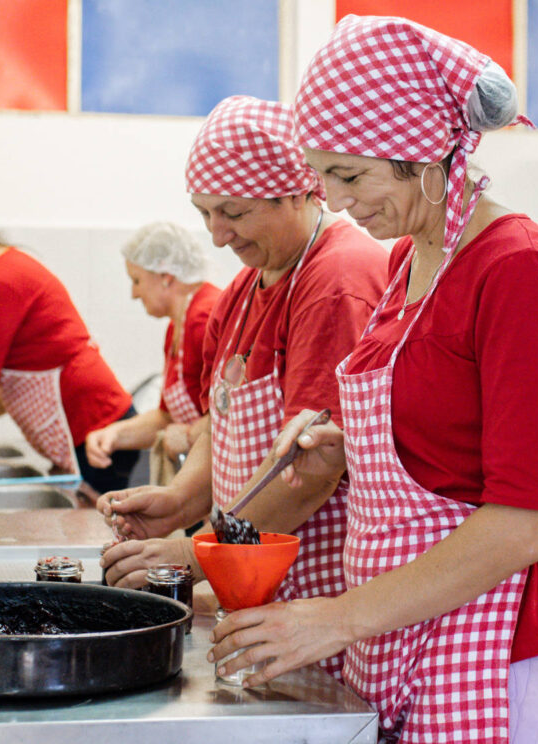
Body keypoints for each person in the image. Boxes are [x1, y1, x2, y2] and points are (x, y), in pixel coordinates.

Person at [206, 17, 538, 744]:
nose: (341, 202)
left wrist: (335, 617)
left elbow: (525, 526)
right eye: (326, 179)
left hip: (485, 638)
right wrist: (343, 448)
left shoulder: (517, 270)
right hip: (392, 628)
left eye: (351, 176)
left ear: (420, 150)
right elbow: (438, 444)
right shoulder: (402, 267)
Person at [98, 95, 389, 680]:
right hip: (254, 585)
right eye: (205, 212)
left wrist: (192, 552)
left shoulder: (336, 278)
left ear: (298, 190)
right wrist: (181, 499)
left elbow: (313, 471)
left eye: (233, 211)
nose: (216, 233)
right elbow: (219, 422)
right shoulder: (243, 290)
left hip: (317, 594)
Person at [0, 188, 139, 495]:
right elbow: (18, 387)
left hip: (96, 434)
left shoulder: (0, 281)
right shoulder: (8, 269)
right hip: (94, 429)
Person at [84, 222, 221, 481]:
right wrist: (114, 434)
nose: (134, 293)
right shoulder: (177, 325)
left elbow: (228, 414)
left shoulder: (204, 318)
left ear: (166, 276)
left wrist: (190, 435)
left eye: (136, 281)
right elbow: (166, 418)